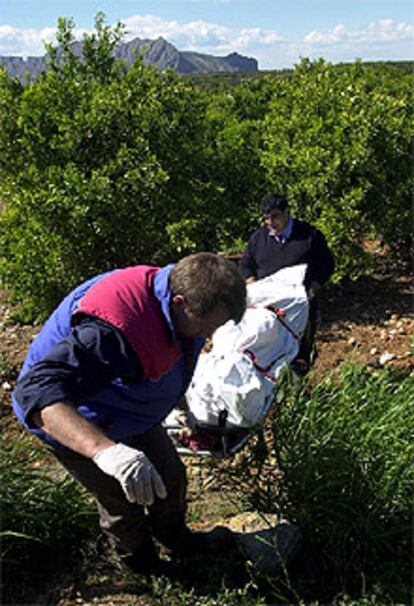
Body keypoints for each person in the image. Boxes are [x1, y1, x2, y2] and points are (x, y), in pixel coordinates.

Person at [12, 253, 246, 576]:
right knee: (122, 498)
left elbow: (173, 349)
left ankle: (176, 539)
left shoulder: (184, 294)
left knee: (170, 476)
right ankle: (142, 566)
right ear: (180, 303)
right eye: (207, 327)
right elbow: (34, 393)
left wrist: (179, 402)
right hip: (79, 417)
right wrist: (106, 452)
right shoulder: (114, 329)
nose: (210, 334)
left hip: (129, 406)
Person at [240, 193, 335, 371]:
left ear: (287, 212)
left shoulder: (309, 236)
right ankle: (272, 394)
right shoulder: (258, 238)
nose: (270, 222)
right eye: (266, 218)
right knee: (266, 355)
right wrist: (254, 288)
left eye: (275, 216)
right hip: (266, 310)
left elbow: (327, 264)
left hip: (299, 308)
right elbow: (246, 265)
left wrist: (312, 290)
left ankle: (299, 391)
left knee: (300, 355)